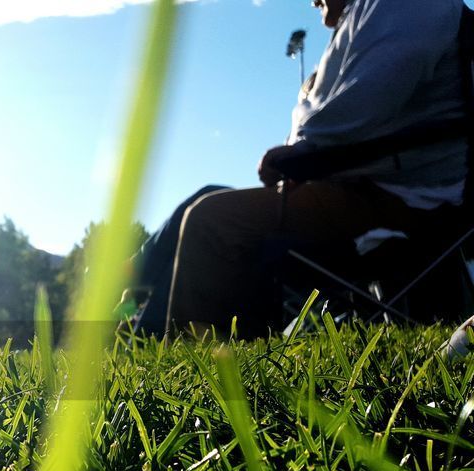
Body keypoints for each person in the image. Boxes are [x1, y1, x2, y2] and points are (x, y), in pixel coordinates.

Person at [130, 0, 468, 337]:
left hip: (401, 204)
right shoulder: (368, 14)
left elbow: (360, 107)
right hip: (365, 187)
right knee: (208, 197)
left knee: (212, 220)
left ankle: (165, 343)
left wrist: (301, 154)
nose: (311, 0)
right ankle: (133, 310)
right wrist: (305, 145)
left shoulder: (404, 5)